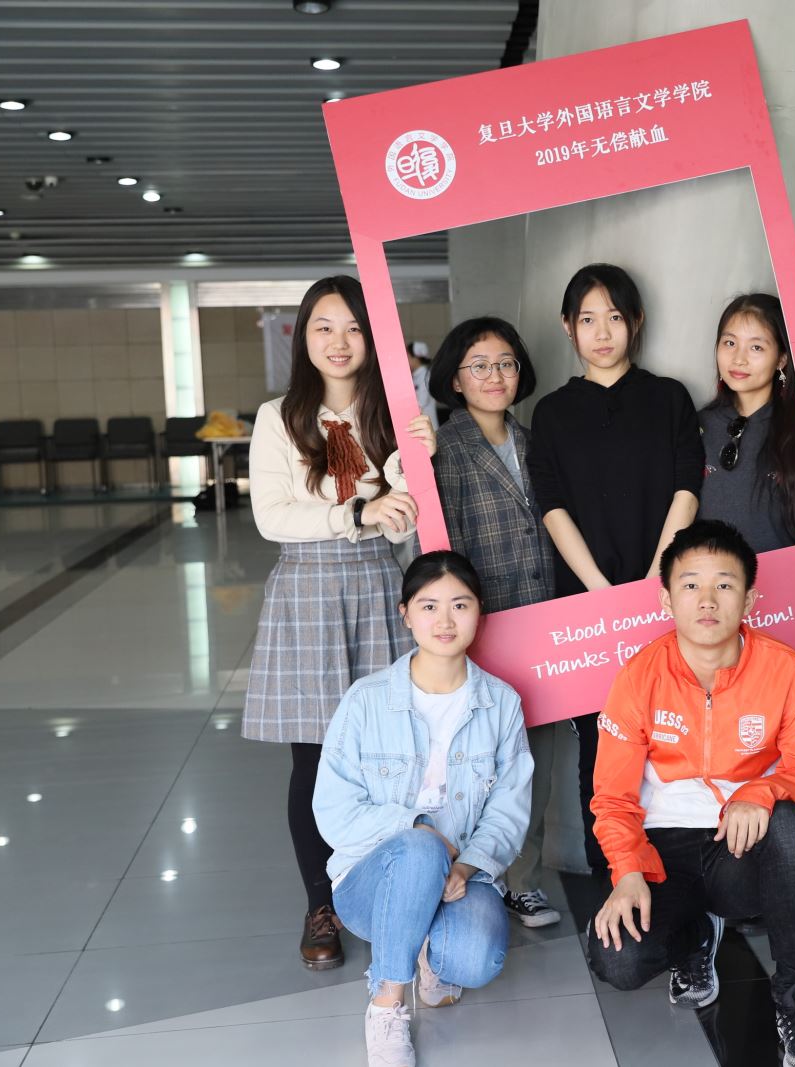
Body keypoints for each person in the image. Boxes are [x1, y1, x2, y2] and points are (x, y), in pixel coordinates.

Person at [587, 520, 795, 1067]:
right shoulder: (639, 675)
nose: (707, 600)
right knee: (618, 961)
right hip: (663, 851)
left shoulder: (785, 668)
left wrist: (762, 790)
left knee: (793, 827)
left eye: (724, 585)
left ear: (749, 599)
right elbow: (612, 797)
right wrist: (627, 872)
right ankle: (694, 934)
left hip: (739, 845)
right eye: (690, 585)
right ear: (666, 599)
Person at [242, 275, 420, 971]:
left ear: (373, 339)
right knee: (314, 759)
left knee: (388, 752)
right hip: (307, 591)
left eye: (353, 327)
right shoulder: (278, 418)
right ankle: (321, 903)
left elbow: (406, 521)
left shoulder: (395, 414)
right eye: (324, 326)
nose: (339, 341)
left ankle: (388, 887)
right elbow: (271, 516)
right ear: (304, 338)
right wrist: (357, 512)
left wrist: (416, 467)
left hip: (378, 583)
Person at [313, 550, 534, 1067]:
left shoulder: (502, 703)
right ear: (405, 614)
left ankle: (427, 950)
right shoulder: (365, 700)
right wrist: (416, 830)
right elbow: (333, 809)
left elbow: (509, 808)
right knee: (417, 845)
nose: (445, 620)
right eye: (429, 606)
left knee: (475, 960)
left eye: (460, 605)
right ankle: (387, 1003)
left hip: (460, 875)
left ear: (479, 612)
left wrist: (466, 866)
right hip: (369, 883)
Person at [527, 262, 704, 873]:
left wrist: (656, 578)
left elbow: (686, 487)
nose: (602, 333)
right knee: (600, 755)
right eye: (587, 319)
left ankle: (681, 882)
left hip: (665, 597)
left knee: (677, 741)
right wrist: (603, 593)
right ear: (567, 326)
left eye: (614, 318)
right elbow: (551, 505)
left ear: (637, 322)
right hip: (587, 609)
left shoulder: (669, 397)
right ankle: (616, 883)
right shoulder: (552, 412)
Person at [391, 316, 562, 929]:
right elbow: (430, 547)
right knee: (471, 757)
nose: (495, 375)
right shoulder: (443, 448)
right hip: (477, 626)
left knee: (531, 760)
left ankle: (521, 879)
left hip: (542, 620)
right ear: (455, 380)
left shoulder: (536, 441)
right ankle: (456, 873)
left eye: (506, 363)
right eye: (480, 365)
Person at [697, 292, 795, 552]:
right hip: (714, 576)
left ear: (781, 359)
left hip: (791, 576)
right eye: (729, 343)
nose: (738, 358)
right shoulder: (696, 426)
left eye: (756, 347)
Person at [407, 341, 439, 429]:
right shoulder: (415, 376)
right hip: (420, 424)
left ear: (416, 358)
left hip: (428, 425)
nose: (406, 360)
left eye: (408, 356)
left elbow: (422, 401)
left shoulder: (425, 376)